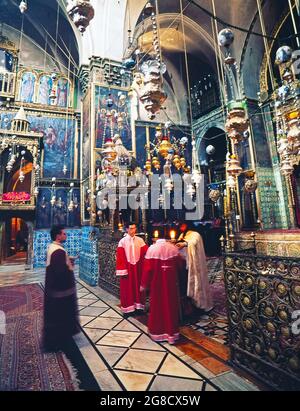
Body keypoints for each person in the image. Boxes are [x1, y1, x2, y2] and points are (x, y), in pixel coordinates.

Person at [43, 225, 79, 351]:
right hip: (61, 291)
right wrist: (69, 267)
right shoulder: (58, 251)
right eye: (64, 234)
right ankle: (61, 341)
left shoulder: (53, 248)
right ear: (58, 236)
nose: (66, 235)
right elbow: (60, 272)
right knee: (61, 315)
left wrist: (68, 261)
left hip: (54, 290)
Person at [140, 239, 183, 344]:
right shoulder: (173, 248)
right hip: (171, 284)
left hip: (156, 284)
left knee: (157, 307)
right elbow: (180, 265)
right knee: (171, 306)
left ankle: (158, 333)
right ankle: (171, 334)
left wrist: (144, 284)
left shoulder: (152, 249)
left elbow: (147, 270)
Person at [176, 221, 213, 312]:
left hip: (195, 264)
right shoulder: (182, 235)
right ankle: (189, 303)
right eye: (180, 226)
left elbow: (193, 242)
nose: (181, 228)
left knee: (197, 282)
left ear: (187, 225)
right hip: (185, 263)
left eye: (183, 225)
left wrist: (185, 244)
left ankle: (200, 303)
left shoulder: (195, 234)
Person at [115, 222, 148, 316]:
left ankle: (139, 308)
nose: (132, 230)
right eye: (130, 228)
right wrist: (123, 269)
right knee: (127, 288)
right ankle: (128, 309)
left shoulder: (140, 240)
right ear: (127, 229)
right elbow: (120, 256)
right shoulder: (122, 241)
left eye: (134, 228)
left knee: (138, 288)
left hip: (138, 268)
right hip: (128, 268)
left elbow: (147, 251)